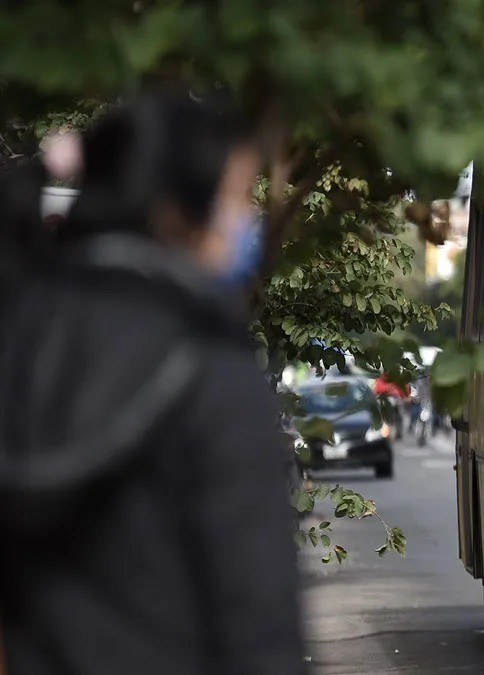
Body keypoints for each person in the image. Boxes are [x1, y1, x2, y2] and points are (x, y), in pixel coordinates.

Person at [0, 90, 303, 675]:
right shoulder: (208, 371)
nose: (247, 221)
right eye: (236, 198)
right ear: (171, 212)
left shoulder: (23, 339)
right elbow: (257, 622)